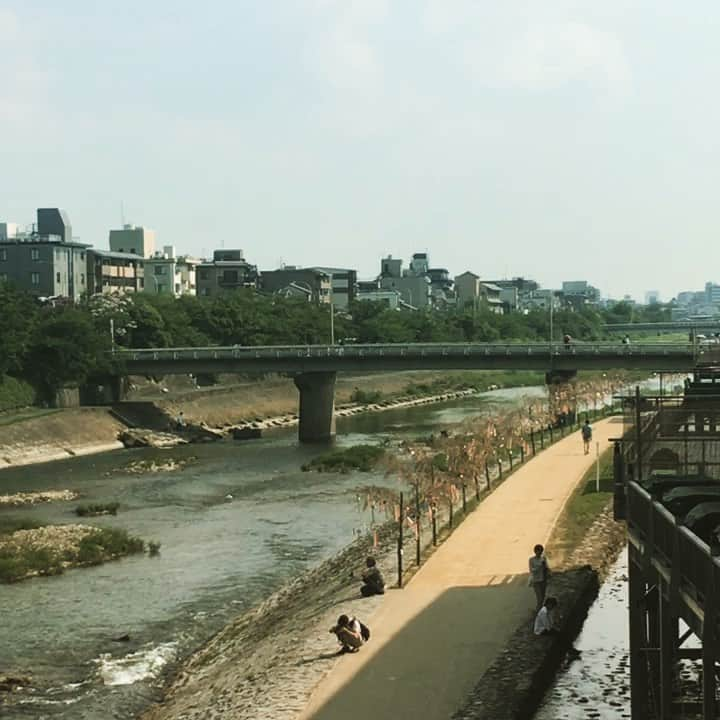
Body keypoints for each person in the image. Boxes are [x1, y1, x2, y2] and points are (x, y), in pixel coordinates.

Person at [528, 544, 550, 610]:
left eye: (541, 552)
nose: (539, 553)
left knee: (543, 597)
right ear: (535, 551)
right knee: (539, 597)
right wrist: (540, 566)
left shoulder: (543, 558)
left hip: (543, 580)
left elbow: (547, 567)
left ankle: (541, 609)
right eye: (538, 551)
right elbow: (532, 570)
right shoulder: (531, 560)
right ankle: (538, 610)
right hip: (536, 581)